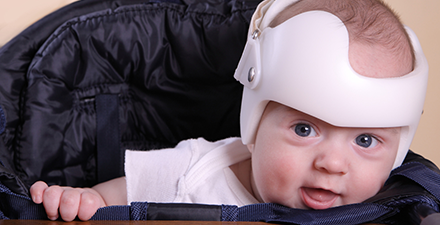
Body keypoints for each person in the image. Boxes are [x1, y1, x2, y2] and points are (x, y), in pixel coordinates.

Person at [29, 0, 429, 222]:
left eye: (365, 140)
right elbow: (111, 199)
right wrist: (82, 201)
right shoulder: (192, 171)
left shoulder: (388, 209)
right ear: (255, 120)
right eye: (305, 129)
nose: (333, 163)